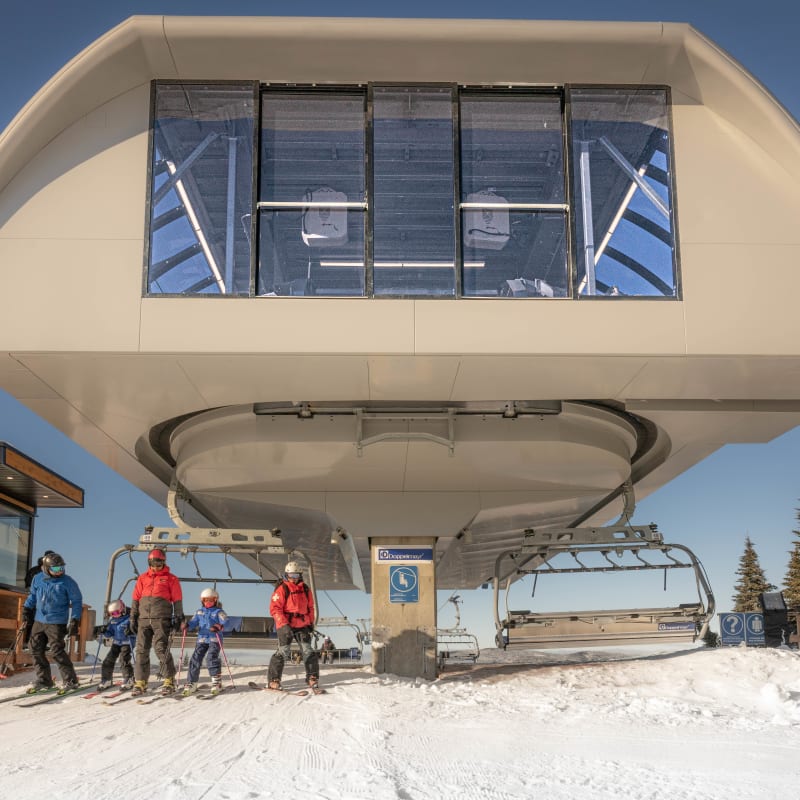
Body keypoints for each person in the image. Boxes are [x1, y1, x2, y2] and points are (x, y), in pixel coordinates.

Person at [21, 552, 82, 692]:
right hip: (39, 620)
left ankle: (71, 681)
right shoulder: (38, 579)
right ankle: (44, 680)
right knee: (35, 649)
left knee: (57, 651)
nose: (59, 571)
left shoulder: (68, 582)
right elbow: (33, 596)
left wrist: (75, 619)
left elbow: (77, 601)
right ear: (46, 568)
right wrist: (26, 609)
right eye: (55, 569)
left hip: (57, 621)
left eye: (61, 568)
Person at [129, 548, 184, 696]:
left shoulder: (171, 578)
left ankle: (168, 680)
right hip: (144, 618)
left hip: (161, 617)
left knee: (160, 648)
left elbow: (177, 598)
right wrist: (133, 616)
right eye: (154, 563)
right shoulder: (142, 578)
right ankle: (140, 681)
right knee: (141, 650)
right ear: (149, 562)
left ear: (164, 562)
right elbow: (136, 598)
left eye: (160, 564)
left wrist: (178, 615)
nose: (156, 567)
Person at [267, 560, 319, 690]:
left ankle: (312, 677)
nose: (294, 579)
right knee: (284, 651)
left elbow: (310, 607)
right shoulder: (282, 589)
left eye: (296, 575)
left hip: (302, 624)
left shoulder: (305, 589)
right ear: (286, 575)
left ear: (300, 575)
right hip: (286, 624)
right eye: (291, 576)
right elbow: (275, 608)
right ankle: (274, 679)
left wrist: (310, 622)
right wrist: (283, 624)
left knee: (308, 650)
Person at [181, 587, 228, 695]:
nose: (208, 602)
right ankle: (192, 682)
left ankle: (216, 682)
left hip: (214, 638)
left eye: (211, 600)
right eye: (205, 600)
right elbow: (193, 622)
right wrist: (187, 626)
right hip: (202, 639)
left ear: (215, 600)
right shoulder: (199, 612)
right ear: (202, 600)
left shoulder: (219, 611)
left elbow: (225, 621)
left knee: (211, 657)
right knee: (195, 658)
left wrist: (218, 626)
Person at [96, 599, 136, 690]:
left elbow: (136, 630)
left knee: (123, 659)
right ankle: (107, 680)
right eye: (112, 614)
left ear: (122, 609)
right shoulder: (113, 621)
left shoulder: (130, 618)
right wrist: (104, 631)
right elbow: (110, 633)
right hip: (116, 643)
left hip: (127, 642)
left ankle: (129, 679)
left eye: (116, 613)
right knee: (108, 660)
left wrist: (131, 630)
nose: (115, 615)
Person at [22, 550, 55, 646]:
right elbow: (28, 585)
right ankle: (29, 643)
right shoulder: (35, 571)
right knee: (33, 622)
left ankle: (40, 644)